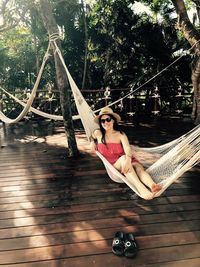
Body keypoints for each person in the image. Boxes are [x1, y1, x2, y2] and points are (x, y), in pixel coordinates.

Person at [91, 106, 162, 200]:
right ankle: (142, 189)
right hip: (114, 165)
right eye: (102, 121)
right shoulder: (98, 133)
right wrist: (92, 141)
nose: (105, 123)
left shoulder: (120, 134)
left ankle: (153, 186)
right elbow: (91, 136)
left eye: (108, 119)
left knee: (139, 169)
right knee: (125, 161)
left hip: (128, 159)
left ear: (113, 121)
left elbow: (127, 148)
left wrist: (128, 159)